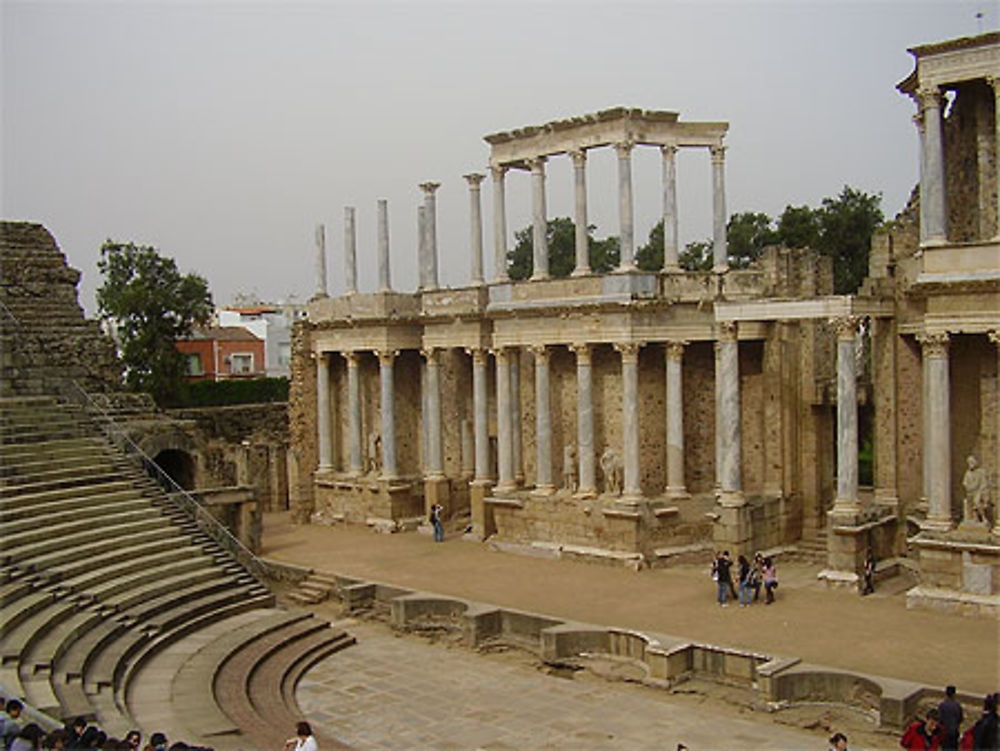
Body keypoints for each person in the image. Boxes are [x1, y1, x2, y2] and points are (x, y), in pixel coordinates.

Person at [939, 685, 963, 750]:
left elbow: (940, 720)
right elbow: (960, 719)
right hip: (954, 732)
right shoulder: (958, 705)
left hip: (944, 733)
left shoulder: (942, 705)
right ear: (954, 694)